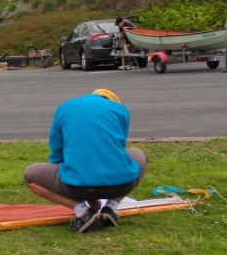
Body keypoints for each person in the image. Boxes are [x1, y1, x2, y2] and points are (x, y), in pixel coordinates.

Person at [23, 88, 147, 233]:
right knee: (138, 154)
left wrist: (64, 175)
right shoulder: (121, 110)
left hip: (75, 188)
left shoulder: (65, 108)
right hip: (120, 185)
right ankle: (111, 207)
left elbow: (57, 152)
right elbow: (119, 148)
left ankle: (82, 211)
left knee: (30, 176)